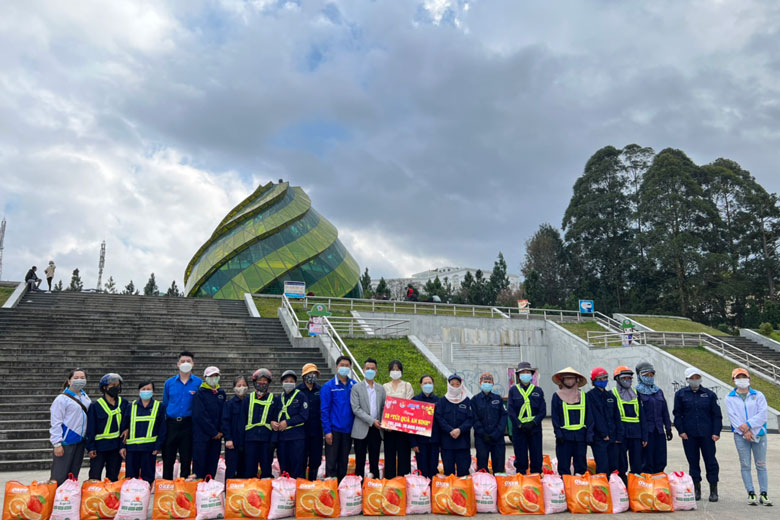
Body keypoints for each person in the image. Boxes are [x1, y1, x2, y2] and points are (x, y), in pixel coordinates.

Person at [672, 367, 722, 502]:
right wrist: (681, 431)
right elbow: (677, 414)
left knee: (710, 461)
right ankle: (696, 489)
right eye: (692, 378)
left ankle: (713, 490)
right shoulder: (681, 394)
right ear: (687, 379)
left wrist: (716, 432)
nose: (695, 380)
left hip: (707, 435)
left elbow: (717, 415)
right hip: (689, 435)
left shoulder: (709, 394)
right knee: (693, 462)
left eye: (697, 378)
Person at [725, 368, 771, 506]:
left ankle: (764, 493)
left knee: (761, 464)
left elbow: (762, 414)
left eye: (743, 376)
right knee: (745, 464)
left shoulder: (758, 395)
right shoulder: (730, 397)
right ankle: (751, 493)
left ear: (749, 378)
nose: (741, 379)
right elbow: (733, 416)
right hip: (741, 435)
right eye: (738, 377)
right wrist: (744, 431)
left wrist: (749, 425)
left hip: (759, 434)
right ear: (733, 380)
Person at [162, 351, 202, 479]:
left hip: (188, 424)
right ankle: (167, 484)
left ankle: (184, 486)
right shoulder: (169, 383)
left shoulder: (198, 383)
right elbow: (166, 402)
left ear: (193, 364)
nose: (185, 364)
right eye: (183, 361)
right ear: (177, 364)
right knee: (168, 457)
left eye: (188, 361)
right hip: (171, 423)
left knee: (186, 457)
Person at [50, 369, 91, 484]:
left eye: (82, 378)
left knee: (73, 475)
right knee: (59, 475)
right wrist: (57, 443)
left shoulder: (84, 396)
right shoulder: (61, 399)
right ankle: (56, 499)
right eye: (76, 378)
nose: (79, 380)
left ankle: (68, 499)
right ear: (69, 381)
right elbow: (56, 422)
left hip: (80, 441)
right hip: (66, 442)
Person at [122, 381, 167, 486]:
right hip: (132, 449)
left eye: (148, 389)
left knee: (148, 479)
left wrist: (158, 446)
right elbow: (123, 428)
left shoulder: (159, 407)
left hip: (149, 449)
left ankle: (144, 498)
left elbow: (162, 429)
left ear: (153, 391)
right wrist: (122, 446)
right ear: (139, 391)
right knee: (131, 479)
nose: (146, 392)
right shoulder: (131, 406)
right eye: (143, 389)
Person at [86, 373, 129, 481]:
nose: (116, 387)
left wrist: (123, 445)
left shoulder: (124, 404)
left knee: (113, 477)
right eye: (112, 385)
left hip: (116, 447)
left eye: (117, 385)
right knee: (95, 476)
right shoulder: (95, 406)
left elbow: (126, 423)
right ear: (104, 387)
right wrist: (91, 447)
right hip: (99, 447)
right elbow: (90, 428)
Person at [551, 367, 592, 475]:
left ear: (577, 380)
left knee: (581, 466)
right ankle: (566, 487)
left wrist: (589, 434)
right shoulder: (557, 396)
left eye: (572, 378)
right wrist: (558, 433)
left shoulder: (583, 396)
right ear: (562, 380)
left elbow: (589, 417)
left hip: (580, 437)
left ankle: (580, 487)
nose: (569, 381)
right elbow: (555, 417)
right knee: (564, 466)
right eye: (567, 379)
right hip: (564, 438)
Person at [321, 355, 356, 481]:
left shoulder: (354, 385)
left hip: (348, 430)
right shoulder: (329, 386)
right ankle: (331, 488)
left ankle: (341, 487)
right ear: (336, 367)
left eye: (347, 366)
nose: (344, 368)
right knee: (331, 461)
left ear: (350, 367)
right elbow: (324, 410)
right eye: (342, 365)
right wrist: (327, 431)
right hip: (334, 430)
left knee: (343, 461)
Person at [507, 361, 546, 474]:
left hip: (535, 428)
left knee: (536, 456)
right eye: (523, 372)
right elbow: (511, 410)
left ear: (531, 374)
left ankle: (536, 476)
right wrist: (519, 424)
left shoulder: (538, 391)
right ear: (518, 376)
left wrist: (533, 422)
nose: (525, 374)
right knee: (520, 456)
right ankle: (522, 476)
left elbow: (542, 410)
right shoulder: (513, 391)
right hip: (519, 429)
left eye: (527, 372)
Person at [635, 362, 672, 474]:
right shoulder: (636, 392)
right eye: (646, 375)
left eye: (651, 375)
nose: (649, 378)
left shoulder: (658, 391)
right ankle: (647, 483)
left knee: (661, 458)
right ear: (640, 376)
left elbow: (664, 411)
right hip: (647, 432)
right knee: (647, 459)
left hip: (659, 430)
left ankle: (659, 481)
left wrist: (668, 428)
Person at [351, 359, 385, 479]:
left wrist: (384, 423)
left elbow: (383, 408)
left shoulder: (381, 389)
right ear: (364, 370)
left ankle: (374, 484)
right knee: (360, 460)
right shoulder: (356, 388)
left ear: (376, 371)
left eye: (373, 368)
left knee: (374, 459)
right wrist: (372, 421)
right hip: (361, 428)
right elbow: (356, 409)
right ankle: (359, 485)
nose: (370, 371)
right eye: (368, 368)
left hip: (376, 429)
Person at [242, 368, 278, 478]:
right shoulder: (248, 399)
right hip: (250, 440)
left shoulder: (274, 400)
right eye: (259, 381)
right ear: (254, 382)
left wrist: (273, 441)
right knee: (249, 469)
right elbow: (242, 420)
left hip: (266, 441)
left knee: (266, 469)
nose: (262, 383)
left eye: (264, 381)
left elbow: (276, 420)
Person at [613, 366, 647, 483]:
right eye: (624, 378)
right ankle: (623, 486)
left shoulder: (636, 393)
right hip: (621, 435)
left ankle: (635, 486)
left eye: (629, 378)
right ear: (617, 379)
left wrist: (644, 436)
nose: (627, 380)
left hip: (636, 434)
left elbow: (642, 416)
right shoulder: (612, 394)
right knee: (621, 463)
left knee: (637, 463)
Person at [273, 370, 309, 478]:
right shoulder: (279, 398)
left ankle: (297, 490)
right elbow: (274, 414)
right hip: (282, 439)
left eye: (291, 381)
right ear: (282, 383)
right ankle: (285, 490)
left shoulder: (301, 396)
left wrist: (287, 422)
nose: (288, 383)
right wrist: (273, 422)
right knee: (284, 466)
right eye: (286, 381)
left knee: (297, 466)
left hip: (296, 438)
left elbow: (304, 416)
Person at [192, 366, 226, 479]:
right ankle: (200, 486)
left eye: (216, 376)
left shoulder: (221, 393)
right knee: (200, 463)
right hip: (202, 436)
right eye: (211, 376)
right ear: (205, 377)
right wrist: (213, 431)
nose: (214, 378)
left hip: (217, 436)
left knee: (212, 464)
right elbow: (200, 415)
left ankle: (209, 488)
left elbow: (223, 413)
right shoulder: (199, 394)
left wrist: (221, 431)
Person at [436, 374, 472, 476]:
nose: (455, 386)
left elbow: (470, 419)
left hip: (463, 444)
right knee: (448, 473)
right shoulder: (442, 401)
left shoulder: (466, 400)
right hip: (447, 444)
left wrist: (460, 430)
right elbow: (439, 418)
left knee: (463, 473)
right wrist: (450, 430)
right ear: (448, 385)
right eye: (452, 384)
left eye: (457, 384)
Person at [382, 360, 414, 478]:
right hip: (389, 429)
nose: (395, 371)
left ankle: (404, 482)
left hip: (403, 429)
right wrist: (387, 424)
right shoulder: (385, 386)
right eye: (393, 369)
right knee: (389, 456)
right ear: (389, 371)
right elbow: (383, 406)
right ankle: (390, 482)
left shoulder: (407, 385)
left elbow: (409, 405)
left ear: (401, 371)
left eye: (397, 369)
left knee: (404, 456)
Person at [586, 367, 620, 475]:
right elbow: (595, 417)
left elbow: (616, 416)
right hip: (599, 438)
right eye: (600, 379)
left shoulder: (610, 396)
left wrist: (618, 435)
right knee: (602, 467)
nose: (603, 381)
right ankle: (603, 489)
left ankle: (613, 489)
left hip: (612, 437)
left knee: (614, 467)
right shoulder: (589, 396)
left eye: (605, 378)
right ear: (594, 381)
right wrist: (603, 433)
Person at [471, 372, 507, 473]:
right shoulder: (475, 400)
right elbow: (474, 418)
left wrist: (497, 433)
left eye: (489, 382)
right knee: (482, 467)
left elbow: (503, 416)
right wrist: (482, 433)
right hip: (482, 439)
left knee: (499, 466)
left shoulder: (498, 399)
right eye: (485, 382)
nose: (487, 384)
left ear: (493, 383)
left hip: (497, 438)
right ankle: (484, 486)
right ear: (480, 383)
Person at [411, 375, 440, 479]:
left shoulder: (439, 401)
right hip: (420, 443)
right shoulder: (415, 400)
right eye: (425, 383)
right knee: (422, 470)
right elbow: (411, 423)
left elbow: (440, 422)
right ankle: (423, 493)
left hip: (434, 441)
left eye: (430, 383)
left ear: (433, 384)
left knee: (433, 469)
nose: (428, 385)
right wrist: (413, 443)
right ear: (421, 385)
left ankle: (433, 492)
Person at [297, 363, 323, 480]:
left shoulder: (320, 390)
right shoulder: (298, 390)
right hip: (301, 431)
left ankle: (312, 481)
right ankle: (301, 481)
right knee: (301, 458)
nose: (312, 376)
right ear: (304, 376)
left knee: (316, 459)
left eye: (314, 373)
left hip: (316, 430)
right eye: (309, 374)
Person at [222, 375, 249, 480]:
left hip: (247, 442)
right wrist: (228, 438)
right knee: (231, 470)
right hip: (233, 443)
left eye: (244, 385)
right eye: (239, 385)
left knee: (246, 469)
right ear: (234, 387)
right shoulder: (229, 404)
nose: (241, 387)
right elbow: (225, 422)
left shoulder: (250, 402)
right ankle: (230, 493)